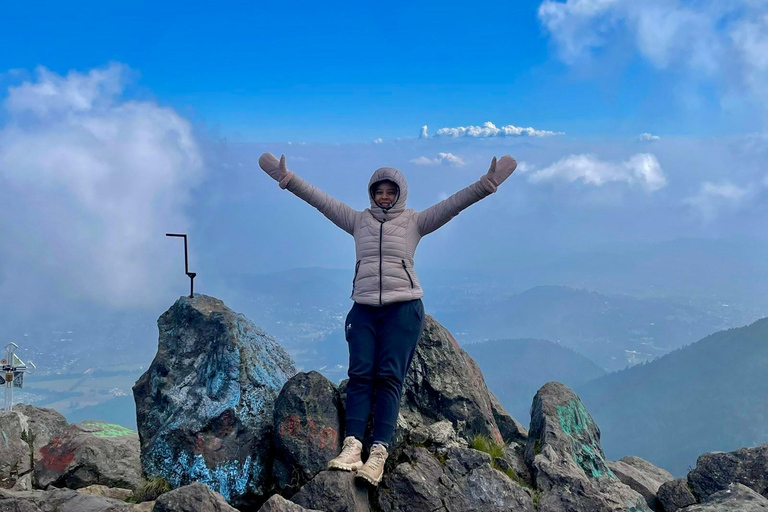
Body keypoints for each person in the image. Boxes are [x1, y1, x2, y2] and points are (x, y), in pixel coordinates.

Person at [258, 152, 517, 485]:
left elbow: (452, 205)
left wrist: (487, 184)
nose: (383, 196)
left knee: (389, 378)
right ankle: (352, 447)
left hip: (403, 309)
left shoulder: (414, 222)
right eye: (379, 191)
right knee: (361, 375)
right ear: (371, 193)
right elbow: (320, 201)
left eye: (390, 191)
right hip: (364, 307)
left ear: (400, 194)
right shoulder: (357, 220)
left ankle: (378, 452)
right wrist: (288, 179)